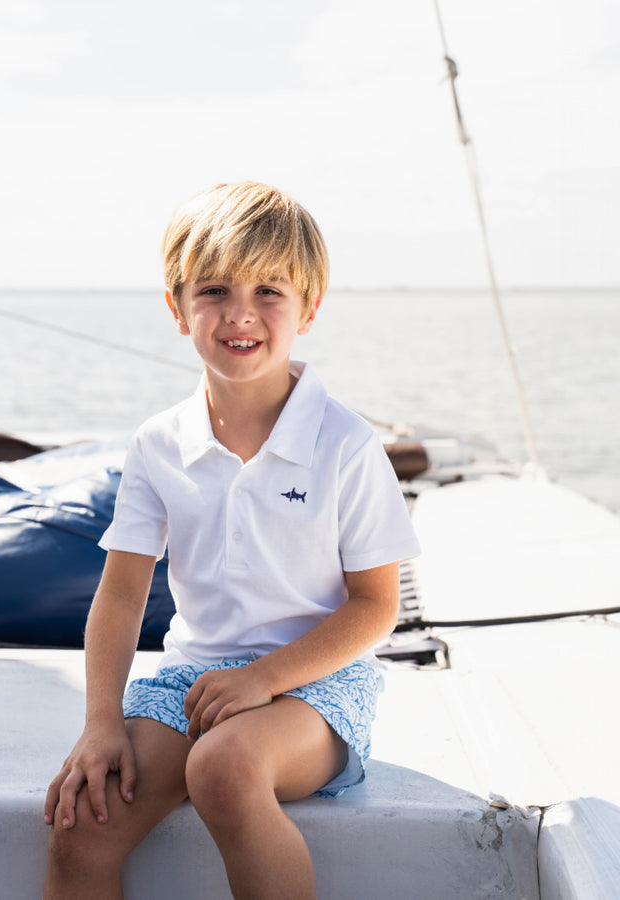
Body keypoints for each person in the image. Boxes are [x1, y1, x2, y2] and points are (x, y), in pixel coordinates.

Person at [43, 181, 420, 900]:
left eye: (270, 291)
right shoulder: (158, 443)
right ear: (176, 306)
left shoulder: (343, 441)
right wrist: (100, 723)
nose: (241, 313)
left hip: (316, 685)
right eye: (214, 289)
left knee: (224, 768)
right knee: (80, 822)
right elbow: (122, 596)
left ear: (308, 308)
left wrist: (264, 679)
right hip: (195, 682)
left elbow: (374, 607)